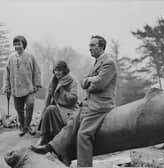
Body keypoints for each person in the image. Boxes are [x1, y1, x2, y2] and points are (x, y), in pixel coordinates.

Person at [31, 35, 117, 167]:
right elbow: (84, 82)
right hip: (89, 103)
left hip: (100, 105)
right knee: (70, 125)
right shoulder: (97, 62)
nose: (90, 48)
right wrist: (89, 80)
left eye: (93, 45)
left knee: (83, 134)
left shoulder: (108, 63)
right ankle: (51, 147)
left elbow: (98, 85)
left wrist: (90, 81)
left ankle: (83, 166)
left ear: (101, 47)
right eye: (89, 45)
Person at [3, 35, 41, 136]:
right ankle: (23, 127)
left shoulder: (30, 57)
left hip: (29, 88)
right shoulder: (11, 58)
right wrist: (6, 86)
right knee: (19, 109)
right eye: (15, 44)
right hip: (16, 89)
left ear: (23, 44)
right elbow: (6, 73)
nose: (17, 46)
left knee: (30, 105)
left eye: (19, 44)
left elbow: (36, 71)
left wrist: (37, 84)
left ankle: (27, 126)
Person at [37, 60, 78, 145]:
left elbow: (73, 99)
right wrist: (43, 113)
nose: (57, 73)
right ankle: (45, 137)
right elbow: (48, 98)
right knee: (48, 110)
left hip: (67, 109)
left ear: (64, 71)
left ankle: (47, 140)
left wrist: (62, 91)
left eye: (59, 70)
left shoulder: (72, 81)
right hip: (56, 108)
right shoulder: (54, 81)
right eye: (55, 70)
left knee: (50, 109)